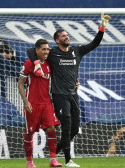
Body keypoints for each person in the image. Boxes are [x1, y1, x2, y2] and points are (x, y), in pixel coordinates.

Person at [27, 13, 111, 167]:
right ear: (57, 40)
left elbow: (95, 43)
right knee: (66, 127)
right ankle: (68, 161)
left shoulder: (76, 51)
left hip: (73, 94)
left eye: (67, 35)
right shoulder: (52, 53)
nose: (66, 37)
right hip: (59, 95)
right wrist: (38, 63)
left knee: (74, 129)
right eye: (63, 36)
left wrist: (103, 26)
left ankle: (54, 155)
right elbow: (31, 51)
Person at [18, 39, 62, 168]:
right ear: (37, 50)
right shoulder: (28, 63)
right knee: (29, 133)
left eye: (48, 49)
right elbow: (20, 83)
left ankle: (53, 160)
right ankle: (29, 162)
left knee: (51, 128)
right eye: (43, 49)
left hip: (46, 102)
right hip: (32, 103)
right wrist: (25, 101)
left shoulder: (49, 63)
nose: (46, 51)